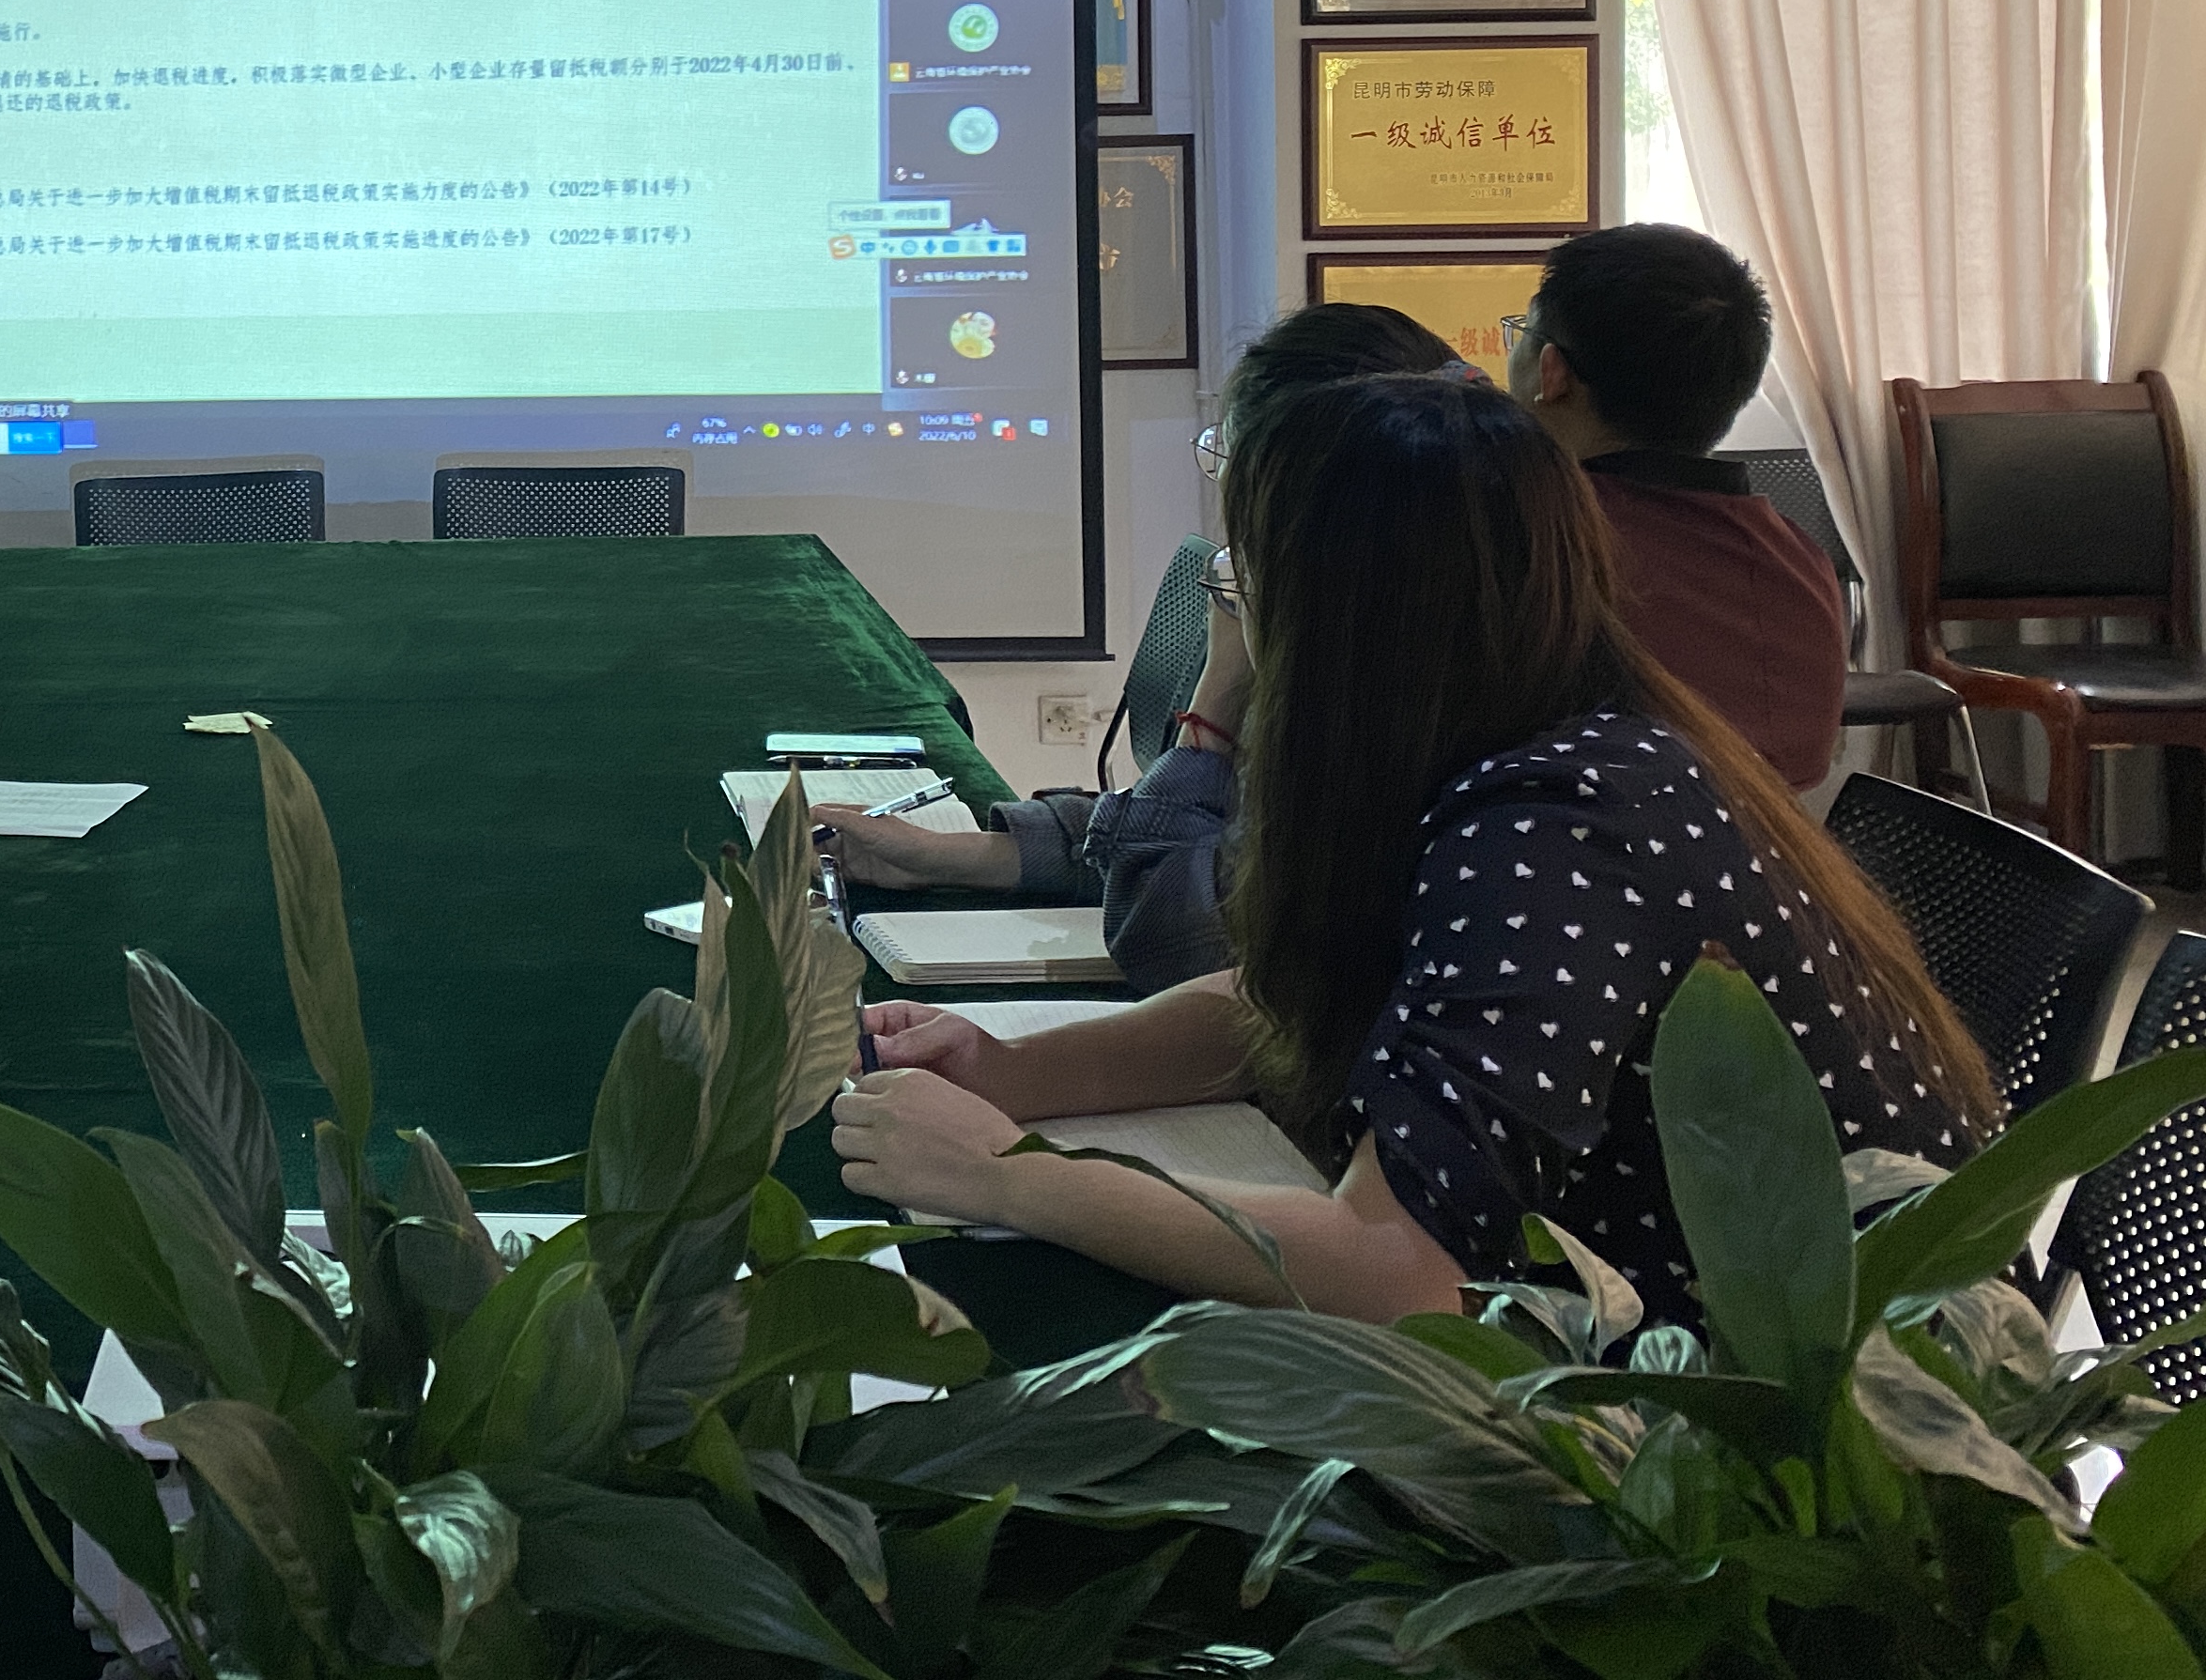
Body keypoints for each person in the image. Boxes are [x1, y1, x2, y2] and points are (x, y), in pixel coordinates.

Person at [825, 373, 1990, 1325]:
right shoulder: (1526, 733)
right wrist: (1018, 1076)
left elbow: (1398, 1272)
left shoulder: (1557, 826)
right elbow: (1294, 1001)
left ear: (1339, 618)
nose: (1242, 620)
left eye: (1245, 581)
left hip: (1793, 1441)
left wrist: (1012, 1178)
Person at [813, 302, 1459, 989]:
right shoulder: (1404, 630)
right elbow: (1192, 845)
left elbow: (1171, 938)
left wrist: (1215, 702)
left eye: (1227, 463)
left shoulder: (1388, 697)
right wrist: (945, 856)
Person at [1504, 223, 1848, 794]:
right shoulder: (1799, 559)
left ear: (1552, 372)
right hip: (1778, 848)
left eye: (1521, 331)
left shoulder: (1537, 544)